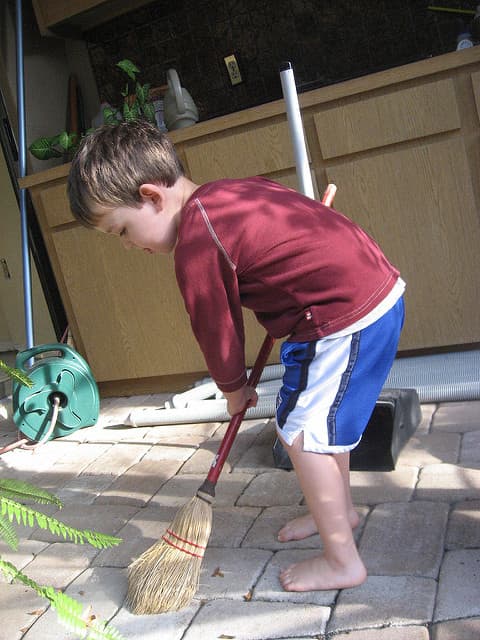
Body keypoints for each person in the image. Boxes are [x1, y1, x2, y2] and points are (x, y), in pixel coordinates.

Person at [68, 120, 405, 592]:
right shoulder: (227, 193)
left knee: (302, 435)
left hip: (342, 315)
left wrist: (232, 389)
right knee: (314, 423)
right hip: (363, 296)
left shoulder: (196, 241)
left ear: (151, 196)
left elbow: (215, 326)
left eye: (122, 229)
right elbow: (284, 212)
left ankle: (341, 560)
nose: (128, 245)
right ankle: (339, 511)